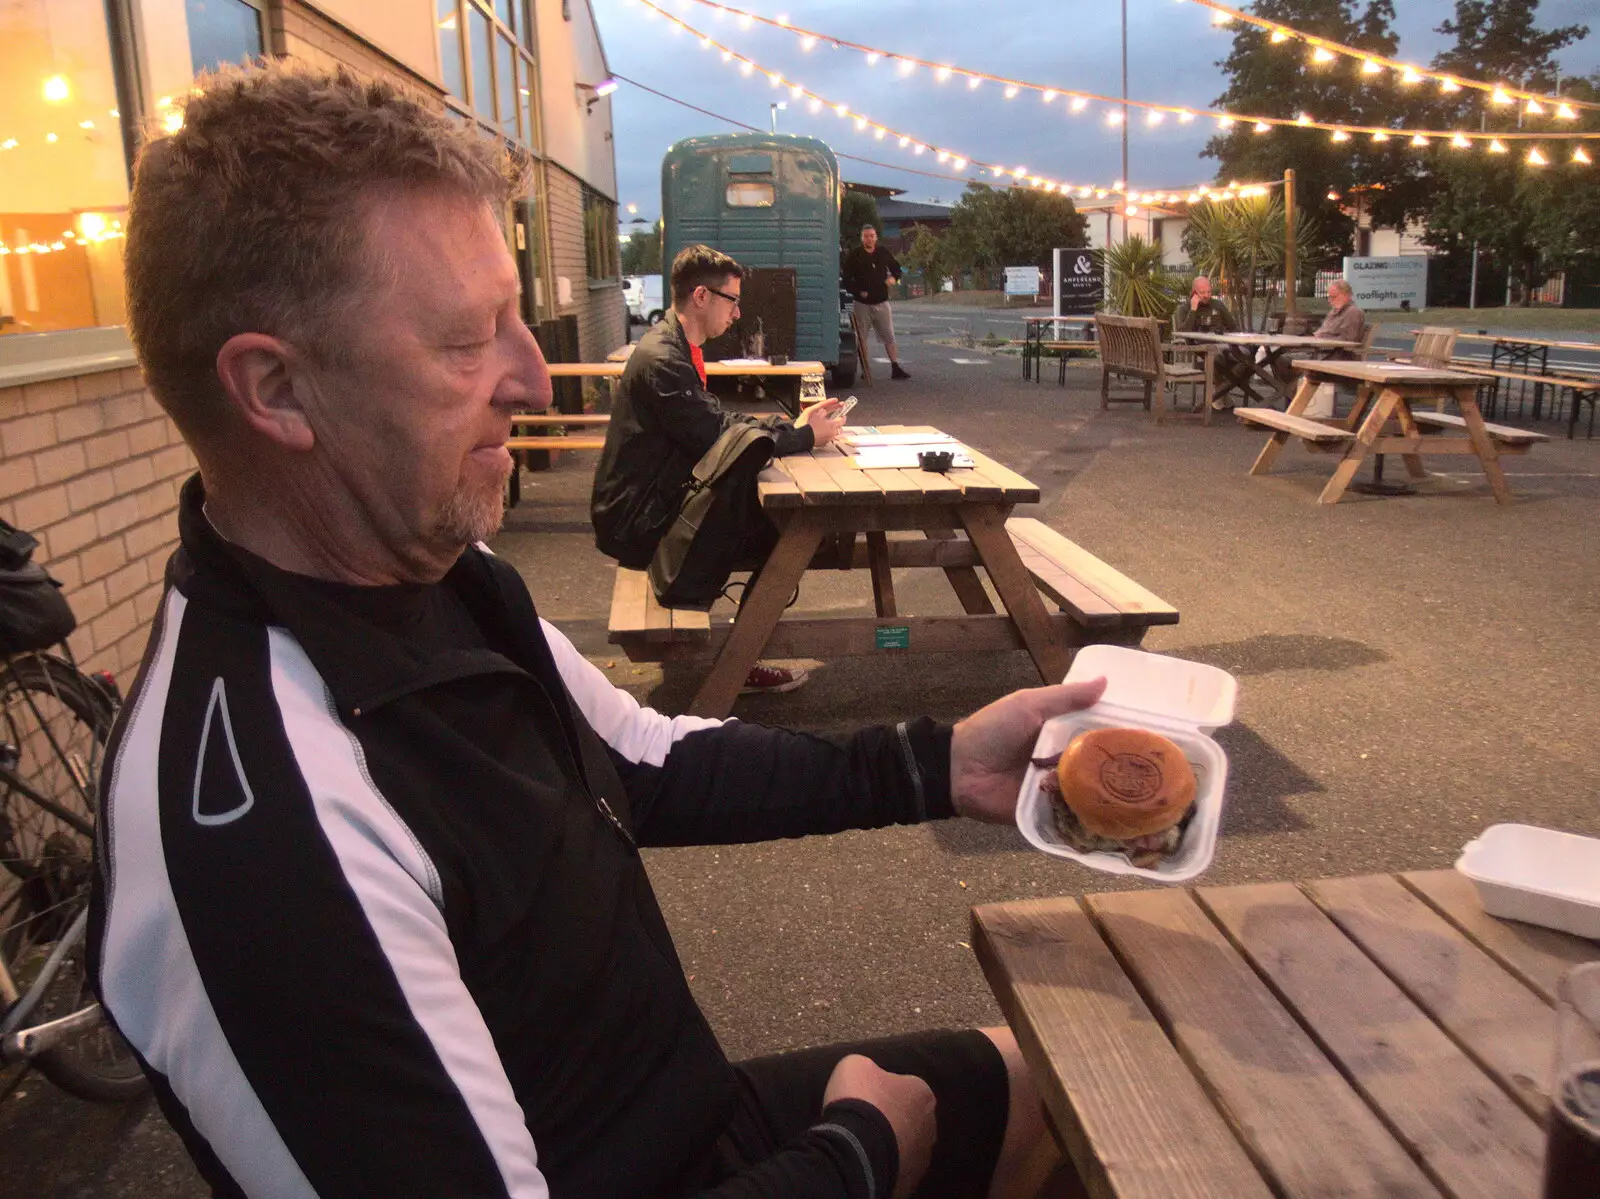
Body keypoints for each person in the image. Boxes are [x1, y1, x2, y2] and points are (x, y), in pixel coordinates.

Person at [89, 61, 1104, 1199]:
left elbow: (641, 757)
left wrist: (936, 760)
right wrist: (862, 1150)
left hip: (688, 1117)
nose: (531, 376)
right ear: (276, 389)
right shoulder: (267, 835)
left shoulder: (443, 571)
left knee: (1068, 1083)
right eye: (466, 341)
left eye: (518, 317)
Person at [592, 244, 846, 695]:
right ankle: (739, 664)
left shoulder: (672, 345)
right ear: (702, 297)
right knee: (788, 535)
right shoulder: (663, 360)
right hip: (637, 521)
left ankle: (742, 652)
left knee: (781, 525)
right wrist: (804, 436)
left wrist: (794, 426)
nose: (737, 312)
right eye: (732, 300)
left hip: (648, 500)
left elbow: (717, 423)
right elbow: (720, 437)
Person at [841, 225, 910, 380]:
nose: (869, 239)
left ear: (876, 237)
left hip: (881, 301)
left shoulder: (883, 252)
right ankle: (866, 370)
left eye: (872, 236)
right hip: (862, 303)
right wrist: (858, 291)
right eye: (866, 236)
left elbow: (896, 268)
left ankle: (895, 367)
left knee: (889, 335)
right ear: (862, 238)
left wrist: (894, 278)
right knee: (862, 337)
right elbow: (846, 278)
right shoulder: (855, 255)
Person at [1171, 277, 1248, 410]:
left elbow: (1233, 327)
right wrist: (1193, 309)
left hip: (1221, 345)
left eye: (1209, 291)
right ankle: (1221, 393)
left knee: (1245, 359)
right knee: (1215, 357)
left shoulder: (1217, 305)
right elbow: (1182, 332)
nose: (1207, 295)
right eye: (1202, 292)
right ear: (1194, 292)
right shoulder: (1184, 308)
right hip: (1197, 346)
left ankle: (1219, 391)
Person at [1310, 278, 1367, 359]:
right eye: (1329, 297)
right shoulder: (1334, 311)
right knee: (1288, 358)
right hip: (1323, 352)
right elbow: (1322, 332)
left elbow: (1348, 340)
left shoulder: (1353, 312)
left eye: (1334, 297)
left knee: (1288, 359)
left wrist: (1321, 338)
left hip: (1335, 355)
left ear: (1347, 295)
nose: (1330, 300)